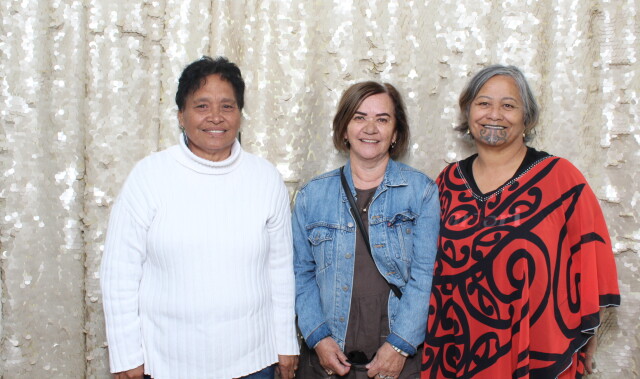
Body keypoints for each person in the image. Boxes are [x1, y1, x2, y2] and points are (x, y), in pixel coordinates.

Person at [100, 56, 299, 379]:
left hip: (254, 361)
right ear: (181, 115)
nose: (215, 117)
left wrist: (286, 342)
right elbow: (119, 275)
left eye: (227, 106)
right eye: (202, 106)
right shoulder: (148, 176)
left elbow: (280, 270)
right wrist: (126, 357)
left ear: (240, 114)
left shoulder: (266, 178)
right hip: (167, 363)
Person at [421, 65, 621, 378]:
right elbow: (426, 267)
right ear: (468, 112)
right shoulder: (448, 182)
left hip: (535, 346)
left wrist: (588, 331)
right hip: (456, 346)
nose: (494, 114)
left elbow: (591, 257)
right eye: (483, 103)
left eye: (508, 105)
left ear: (527, 118)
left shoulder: (560, 178)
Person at [293, 81, 440, 379]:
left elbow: (426, 275)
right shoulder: (312, 195)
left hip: (399, 360)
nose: (370, 128)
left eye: (382, 119)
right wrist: (318, 338)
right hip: (325, 359)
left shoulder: (421, 191)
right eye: (359, 117)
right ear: (344, 129)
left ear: (395, 133)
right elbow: (300, 274)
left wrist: (399, 346)